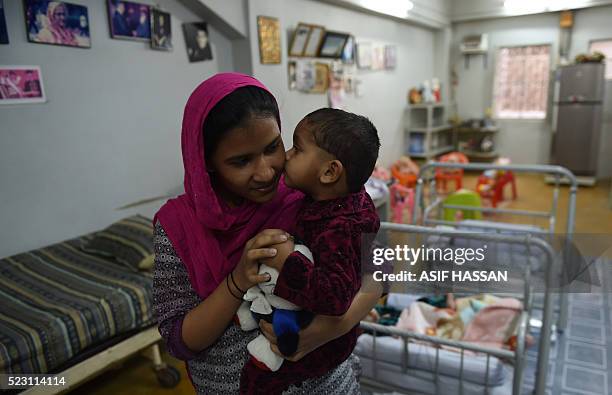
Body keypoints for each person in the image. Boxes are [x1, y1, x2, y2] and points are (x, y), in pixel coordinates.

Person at [152, 73, 382, 394]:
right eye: (241, 161)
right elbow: (180, 341)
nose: (266, 171)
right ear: (207, 163)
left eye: (273, 146)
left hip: (329, 385)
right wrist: (237, 281)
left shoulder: (314, 190)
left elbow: (380, 274)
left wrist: (327, 330)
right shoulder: (178, 227)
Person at [239, 108, 381, 394]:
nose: (286, 157)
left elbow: (338, 294)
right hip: (313, 330)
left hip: (319, 347)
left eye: (297, 149)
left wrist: (286, 259)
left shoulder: (340, 225)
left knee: (257, 382)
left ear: (330, 172)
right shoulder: (340, 199)